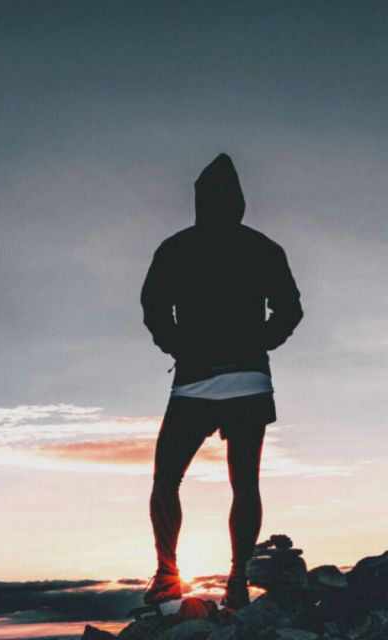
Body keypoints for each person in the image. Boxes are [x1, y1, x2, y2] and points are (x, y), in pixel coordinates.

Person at [139, 153, 303, 610]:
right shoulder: (264, 248)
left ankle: (167, 576)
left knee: (166, 480)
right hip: (249, 381)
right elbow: (290, 310)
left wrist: (180, 348)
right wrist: (259, 344)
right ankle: (238, 580)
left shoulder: (175, 248)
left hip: (195, 381)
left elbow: (153, 309)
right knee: (244, 484)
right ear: (240, 200)